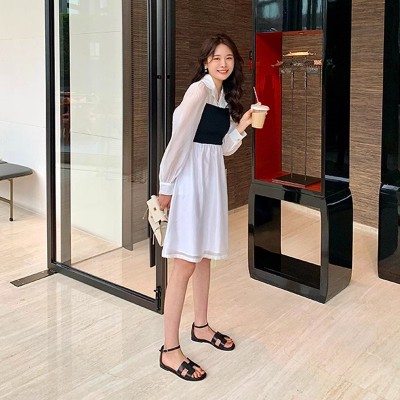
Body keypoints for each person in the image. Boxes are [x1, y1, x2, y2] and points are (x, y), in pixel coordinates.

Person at [158, 33, 254, 381]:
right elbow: (179, 140)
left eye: (229, 58)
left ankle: (200, 326)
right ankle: (169, 350)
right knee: (184, 263)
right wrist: (166, 186)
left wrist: (242, 126)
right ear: (205, 62)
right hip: (189, 181)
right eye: (216, 58)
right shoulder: (198, 92)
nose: (223, 64)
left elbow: (222, 147)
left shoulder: (223, 95)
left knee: (203, 259)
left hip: (211, 180)